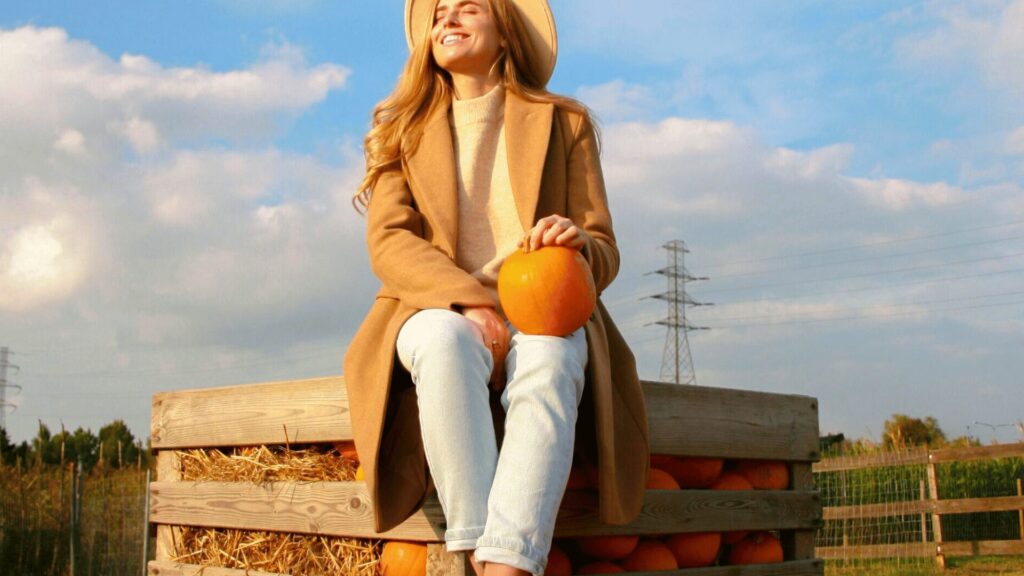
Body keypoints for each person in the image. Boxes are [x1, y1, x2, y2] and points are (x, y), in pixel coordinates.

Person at [343, 1, 650, 574]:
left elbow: (606, 249)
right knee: (441, 339)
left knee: (554, 353)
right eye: (438, 16)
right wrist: (473, 301)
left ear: (505, 31)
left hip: (543, 306)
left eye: (467, 10)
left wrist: (579, 243)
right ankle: (476, 541)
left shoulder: (566, 122)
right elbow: (389, 245)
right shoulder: (402, 132)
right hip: (434, 306)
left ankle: (504, 564)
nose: (447, 22)